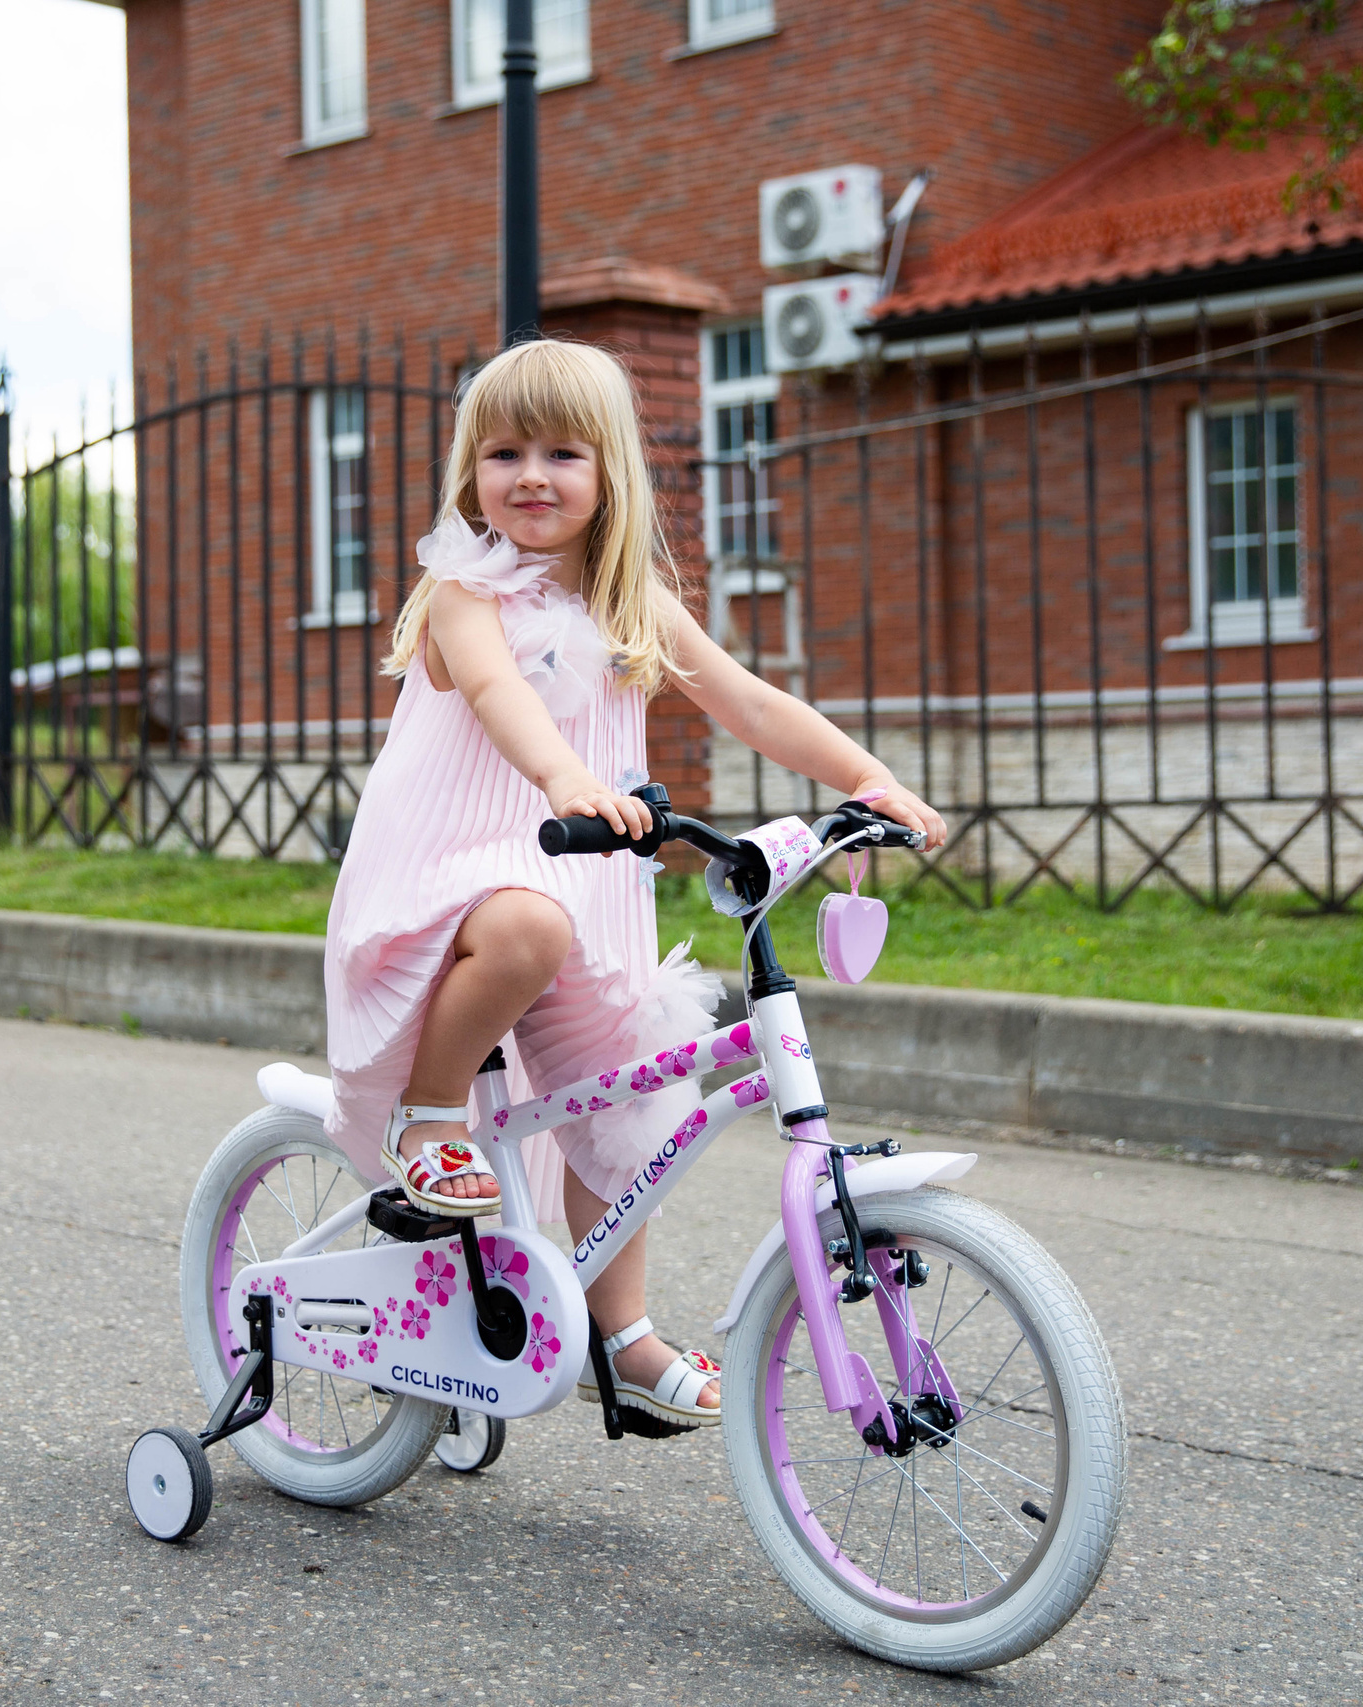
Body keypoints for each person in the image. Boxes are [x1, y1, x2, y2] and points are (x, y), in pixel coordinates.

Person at [323, 338, 944, 1426]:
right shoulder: (464, 593)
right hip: (463, 868)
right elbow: (498, 692)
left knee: (632, 1104)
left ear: (609, 471)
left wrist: (864, 777)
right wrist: (569, 775)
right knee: (524, 932)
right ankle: (433, 1115)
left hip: (589, 881)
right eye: (504, 451)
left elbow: (749, 703)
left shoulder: (633, 607)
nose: (531, 475)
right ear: (471, 470)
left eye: (563, 452)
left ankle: (624, 1336)